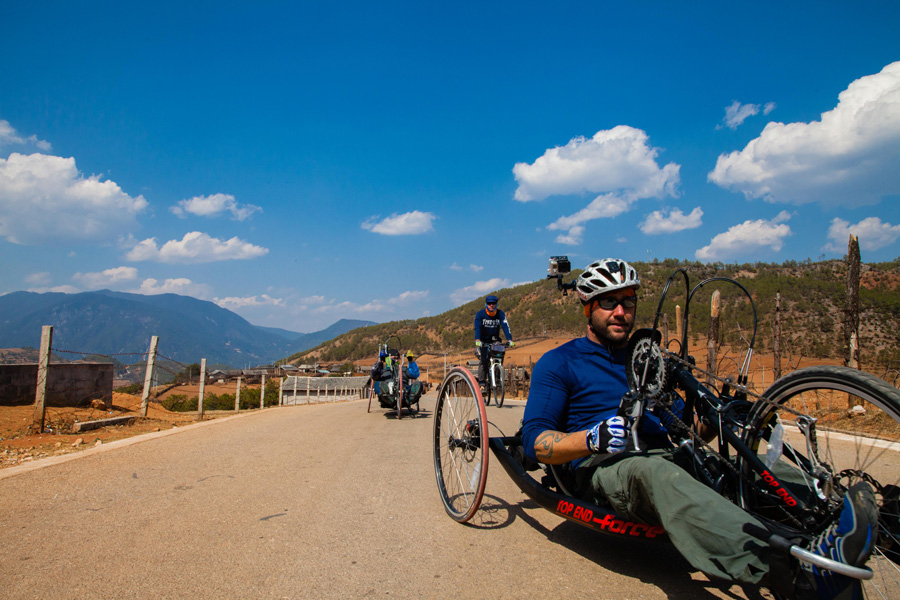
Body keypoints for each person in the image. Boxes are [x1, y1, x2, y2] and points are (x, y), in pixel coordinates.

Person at [521, 258, 878, 600]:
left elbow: (685, 428)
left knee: (741, 470)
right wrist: (591, 439)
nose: (620, 312)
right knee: (656, 473)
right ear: (588, 308)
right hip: (607, 466)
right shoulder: (560, 362)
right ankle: (796, 575)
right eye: (609, 302)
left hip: (669, 453)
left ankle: (863, 519)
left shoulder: (647, 359)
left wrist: (721, 417)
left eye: (627, 302)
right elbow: (537, 442)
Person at [473, 294, 514, 386]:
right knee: (484, 360)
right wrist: (477, 339)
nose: (491, 305)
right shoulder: (480, 314)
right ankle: (482, 383)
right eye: (489, 303)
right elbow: (477, 327)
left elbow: (505, 326)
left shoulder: (500, 314)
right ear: (486, 304)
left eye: (493, 303)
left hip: (495, 340)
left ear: (496, 304)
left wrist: (509, 340)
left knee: (499, 356)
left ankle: (497, 378)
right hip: (483, 341)